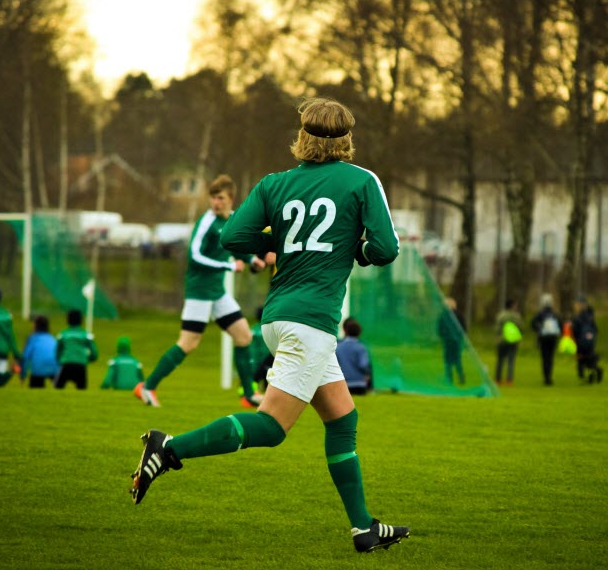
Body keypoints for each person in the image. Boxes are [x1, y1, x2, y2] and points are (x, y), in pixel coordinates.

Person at [129, 97, 409, 553]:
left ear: (302, 137)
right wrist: (352, 249)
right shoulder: (361, 181)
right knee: (272, 428)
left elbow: (232, 237)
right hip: (311, 323)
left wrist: (280, 238)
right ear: (347, 139)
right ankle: (169, 447)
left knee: (342, 418)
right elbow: (386, 248)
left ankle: (364, 528)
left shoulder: (274, 184)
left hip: (278, 318)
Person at [135, 174, 267, 408]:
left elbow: (236, 246)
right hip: (199, 291)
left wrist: (251, 260)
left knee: (244, 336)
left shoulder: (234, 220)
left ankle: (248, 394)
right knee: (188, 343)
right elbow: (194, 257)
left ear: (231, 199)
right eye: (213, 198)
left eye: (220, 198)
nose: (215, 203)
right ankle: (148, 386)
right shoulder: (206, 222)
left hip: (217, 292)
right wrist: (228, 266)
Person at [55, 309, 98, 390]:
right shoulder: (86, 335)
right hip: (80, 366)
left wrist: (60, 360)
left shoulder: (63, 334)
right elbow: (94, 353)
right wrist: (86, 359)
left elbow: (57, 352)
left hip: (66, 364)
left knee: (58, 388)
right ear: (81, 320)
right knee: (82, 390)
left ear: (68, 320)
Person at [530, 293, 562, 386]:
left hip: (543, 339)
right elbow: (560, 324)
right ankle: (549, 377)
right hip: (552, 339)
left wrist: (539, 330)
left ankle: (546, 377)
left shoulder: (541, 314)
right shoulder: (554, 314)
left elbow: (533, 323)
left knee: (544, 358)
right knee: (551, 358)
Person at [336, 317, 372, 395]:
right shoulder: (361, 347)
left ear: (345, 331)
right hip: (360, 384)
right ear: (359, 332)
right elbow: (363, 365)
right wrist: (367, 375)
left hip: (344, 384)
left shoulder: (338, 347)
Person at [20, 315, 59, 388]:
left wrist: (23, 375)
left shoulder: (32, 338)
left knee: (35, 388)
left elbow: (25, 357)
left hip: (38, 368)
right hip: (54, 368)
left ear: (36, 325)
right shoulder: (52, 338)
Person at [572, 296, 602, 383]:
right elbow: (596, 329)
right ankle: (595, 371)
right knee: (588, 358)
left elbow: (576, 330)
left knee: (581, 359)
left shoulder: (578, 318)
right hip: (590, 342)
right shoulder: (590, 316)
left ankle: (585, 375)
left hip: (581, 342)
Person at [437, 297, 465, 385]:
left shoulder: (444, 315)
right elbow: (464, 327)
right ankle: (461, 377)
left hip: (447, 341)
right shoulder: (459, 315)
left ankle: (449, 378)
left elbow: (440, 329)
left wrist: (443, 336)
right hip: (457, 341)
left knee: (448, 360)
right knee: (457, 359)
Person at [494, 298, 523, 385]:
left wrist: (499, 336)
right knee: (511, 360)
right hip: (513, 340)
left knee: (500, 360)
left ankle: (498, 379)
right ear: (513, 306)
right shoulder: (516, 316)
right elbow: (521, 327)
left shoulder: (501, 315)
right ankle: (509, 380)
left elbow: (497, 328)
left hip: (502, 340)